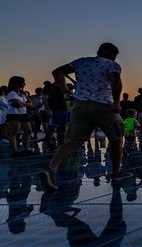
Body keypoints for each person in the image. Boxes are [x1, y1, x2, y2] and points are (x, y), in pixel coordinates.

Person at [39, 43, 131, 192]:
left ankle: (51, 168)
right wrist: (116, 102)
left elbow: (57, 72)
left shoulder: (81, 61)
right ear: (110, 53)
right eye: (115, 55)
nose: (115, 58)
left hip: (79, 106)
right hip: (103, 105)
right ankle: (116, 173)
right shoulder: (112, 65)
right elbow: (116, 82)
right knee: (116, 137)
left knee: (74, 141)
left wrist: (65, 91)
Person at [5, 76, 33, 156]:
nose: (24, 84)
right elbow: (16, 104)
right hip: (13, 115)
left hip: (23, 114)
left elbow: (31, 103)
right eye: (23, 82)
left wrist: (23, 103)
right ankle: (15, 151)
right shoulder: (12, 93)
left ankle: (26, 149)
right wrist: (26, 104)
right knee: (14, 133)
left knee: (28, 131)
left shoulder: (23, 93)